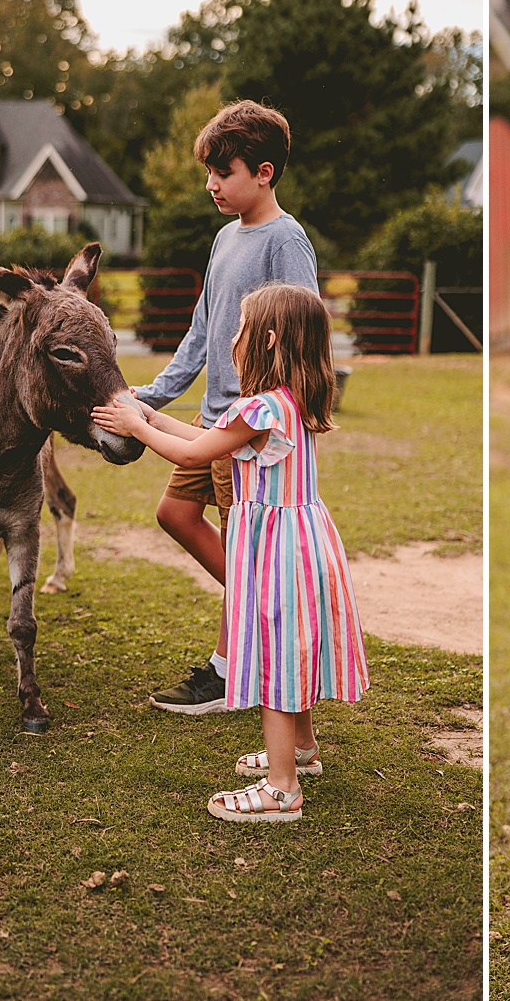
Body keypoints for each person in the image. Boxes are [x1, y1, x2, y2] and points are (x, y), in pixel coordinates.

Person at [93, 285, 369, 821]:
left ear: (265, 340)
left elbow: (192, 450)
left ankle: (282, 789)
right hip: (299, 543)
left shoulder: (261, 407)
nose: (232, 339)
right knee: (292, 648)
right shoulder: (287, 399)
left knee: (274, 656)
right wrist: (142, 411)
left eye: (240, 330)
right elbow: (208, 436)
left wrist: (136, 428)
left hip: (277, 551)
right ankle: (303, 751)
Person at [132, 100, 319, 715]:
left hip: (249, 430)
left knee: (246, 550)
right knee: (175, 514)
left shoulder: (286, 241)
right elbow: (201, 332)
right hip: (209, 417)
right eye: (208, 172)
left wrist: (272, 416)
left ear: (264, 172)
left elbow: (300, 332)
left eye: (224, 171)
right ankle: (259, 617)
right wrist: (152, 396)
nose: (211, 184)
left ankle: (228, 666)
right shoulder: (221, 238)